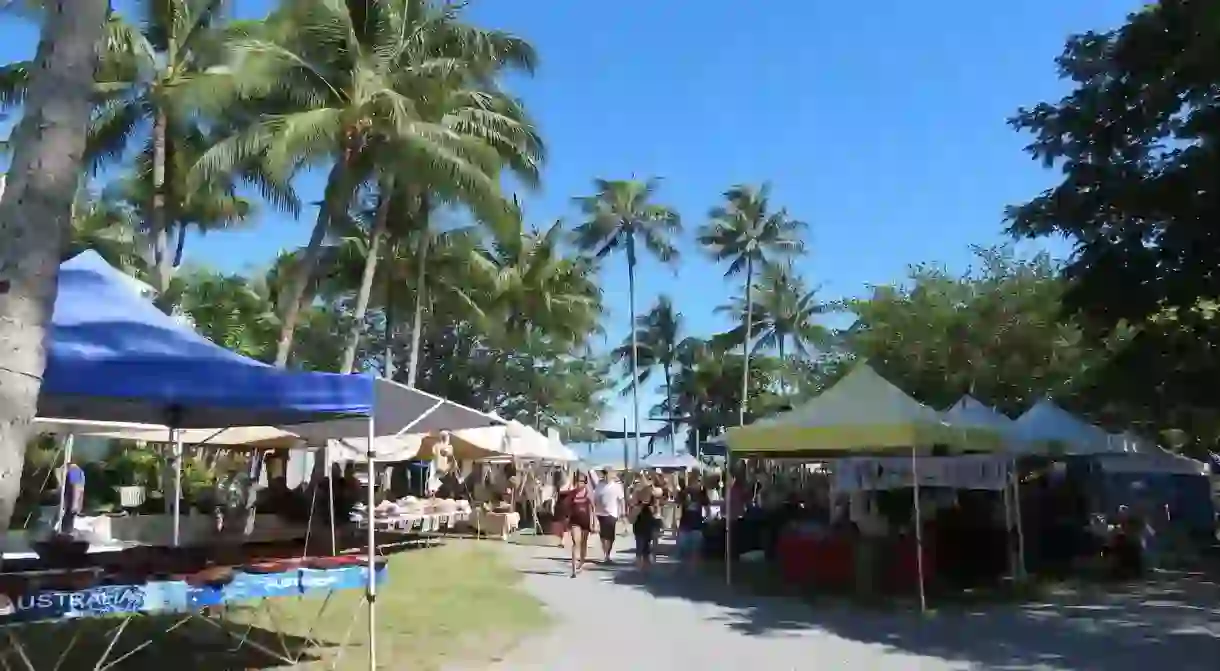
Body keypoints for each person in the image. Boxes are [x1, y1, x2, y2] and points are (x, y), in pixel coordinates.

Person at [562, 471, 594, 577]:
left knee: (583, 543)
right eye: (577, 481)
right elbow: (566, 507)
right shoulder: (572, 493)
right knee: (576, 542)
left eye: (581, 481)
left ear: (585, 482)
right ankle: (574, 568)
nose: (579, 484)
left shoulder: (588, 493)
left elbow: (593, 508)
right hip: (575, 521)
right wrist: (566, 519)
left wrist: (594, 522)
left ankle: (581, 563)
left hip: (585, 520)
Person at [676, 474, 710, 565]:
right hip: (686, 526)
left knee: (694, 552)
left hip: (694, 526)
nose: (698, 482)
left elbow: (707, 508)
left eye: (699, 480)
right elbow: (677, 502)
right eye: (697, 480)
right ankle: (689, 572)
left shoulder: (701, 493)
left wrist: (705, 518)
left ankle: (692, 573)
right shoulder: (685, 492)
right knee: (687, 552)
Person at [593, 468, 625, 563]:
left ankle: (608, 552)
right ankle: (606, 554)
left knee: (611, 536)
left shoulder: (617, 486)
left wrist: (623, 512)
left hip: (612, 513)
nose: (607, 476)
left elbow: (621, 499)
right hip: (600, 513)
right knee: (603, 535)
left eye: (608, 473)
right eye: (605, 473)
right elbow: (595, 498)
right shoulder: (599, 485)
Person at [631, 482, 661, 569]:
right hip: (639, 528)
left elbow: (657, 514)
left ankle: (646, 566)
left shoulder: (653, 501)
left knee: (647, 549)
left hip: (649, 528)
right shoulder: (637, 502)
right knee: (640, 549)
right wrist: (640, 506)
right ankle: (640, 567)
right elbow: (632, 517)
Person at [61, 459, 86, 534]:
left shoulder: (75, 509)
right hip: (75, 486)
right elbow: (77, 490)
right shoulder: (75, 470)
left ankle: (66, 530)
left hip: (75, 486)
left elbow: (78, 490)